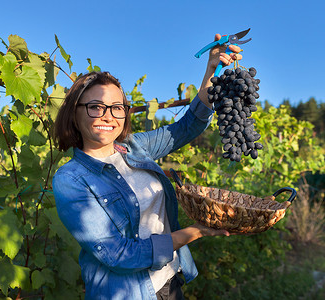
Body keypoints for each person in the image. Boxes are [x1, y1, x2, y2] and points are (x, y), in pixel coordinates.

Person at [52, 34, 242, 300]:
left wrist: (212, 71)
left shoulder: (135, 146)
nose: (108, 116)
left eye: (117, 107)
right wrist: (194, 232)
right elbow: (118, 254)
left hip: (169, 281)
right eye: (95, 107)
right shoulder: (71, 179)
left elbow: (188, 126)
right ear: (75, 112)